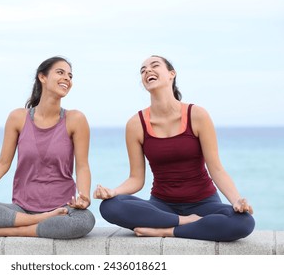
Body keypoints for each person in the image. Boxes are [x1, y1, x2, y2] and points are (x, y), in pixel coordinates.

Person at [93, 55, 255, 242]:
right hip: (162, 206)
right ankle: (186, 222)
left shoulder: (197, 115)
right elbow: (136, 179)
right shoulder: (135, 124)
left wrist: (236, 201)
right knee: (109, 206)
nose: (147, 71)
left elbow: (216, 169)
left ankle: (166, 230)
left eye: (154, 66)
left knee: (244, 222)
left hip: (204, 203)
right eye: (143, 70)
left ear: (172, 74)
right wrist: (113, 192)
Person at [0, 56, 95, 239]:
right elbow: (2, 163)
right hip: (22, 208)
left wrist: (84, 197)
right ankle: (41, 220)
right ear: (42, 77)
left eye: (70, 76)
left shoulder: (75, 119)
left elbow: (82, 166)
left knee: (84, 221)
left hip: (62, 208)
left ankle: (19, 230)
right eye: (60, 72)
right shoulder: (18, 118)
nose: (67, 79)